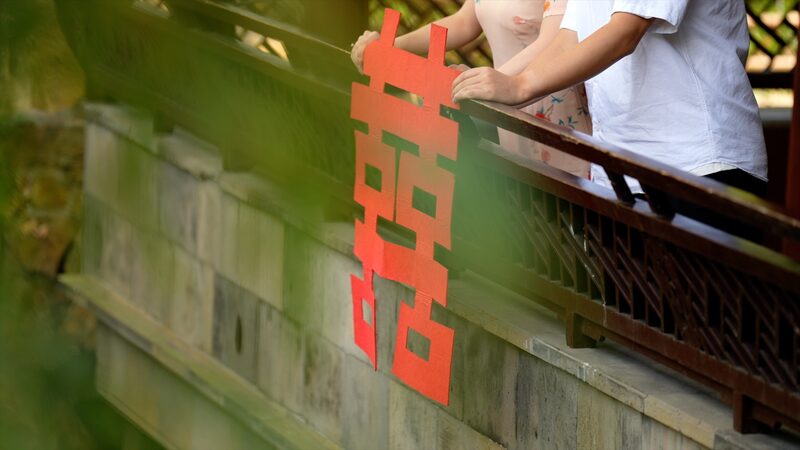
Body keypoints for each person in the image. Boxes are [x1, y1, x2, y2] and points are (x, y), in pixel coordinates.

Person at [451, 1, 768, 199]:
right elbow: (568, 38)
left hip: (697, 164)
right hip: (621, 171)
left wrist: (520, 86)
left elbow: (626, 31)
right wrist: (501, 85)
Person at [351, 0, 591, 178]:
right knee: (524, 204)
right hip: (503, 101)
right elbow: (465, 21)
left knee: (564, 213)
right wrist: (392, 46)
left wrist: (494, 80)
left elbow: (556, 41)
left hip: (553, 103)